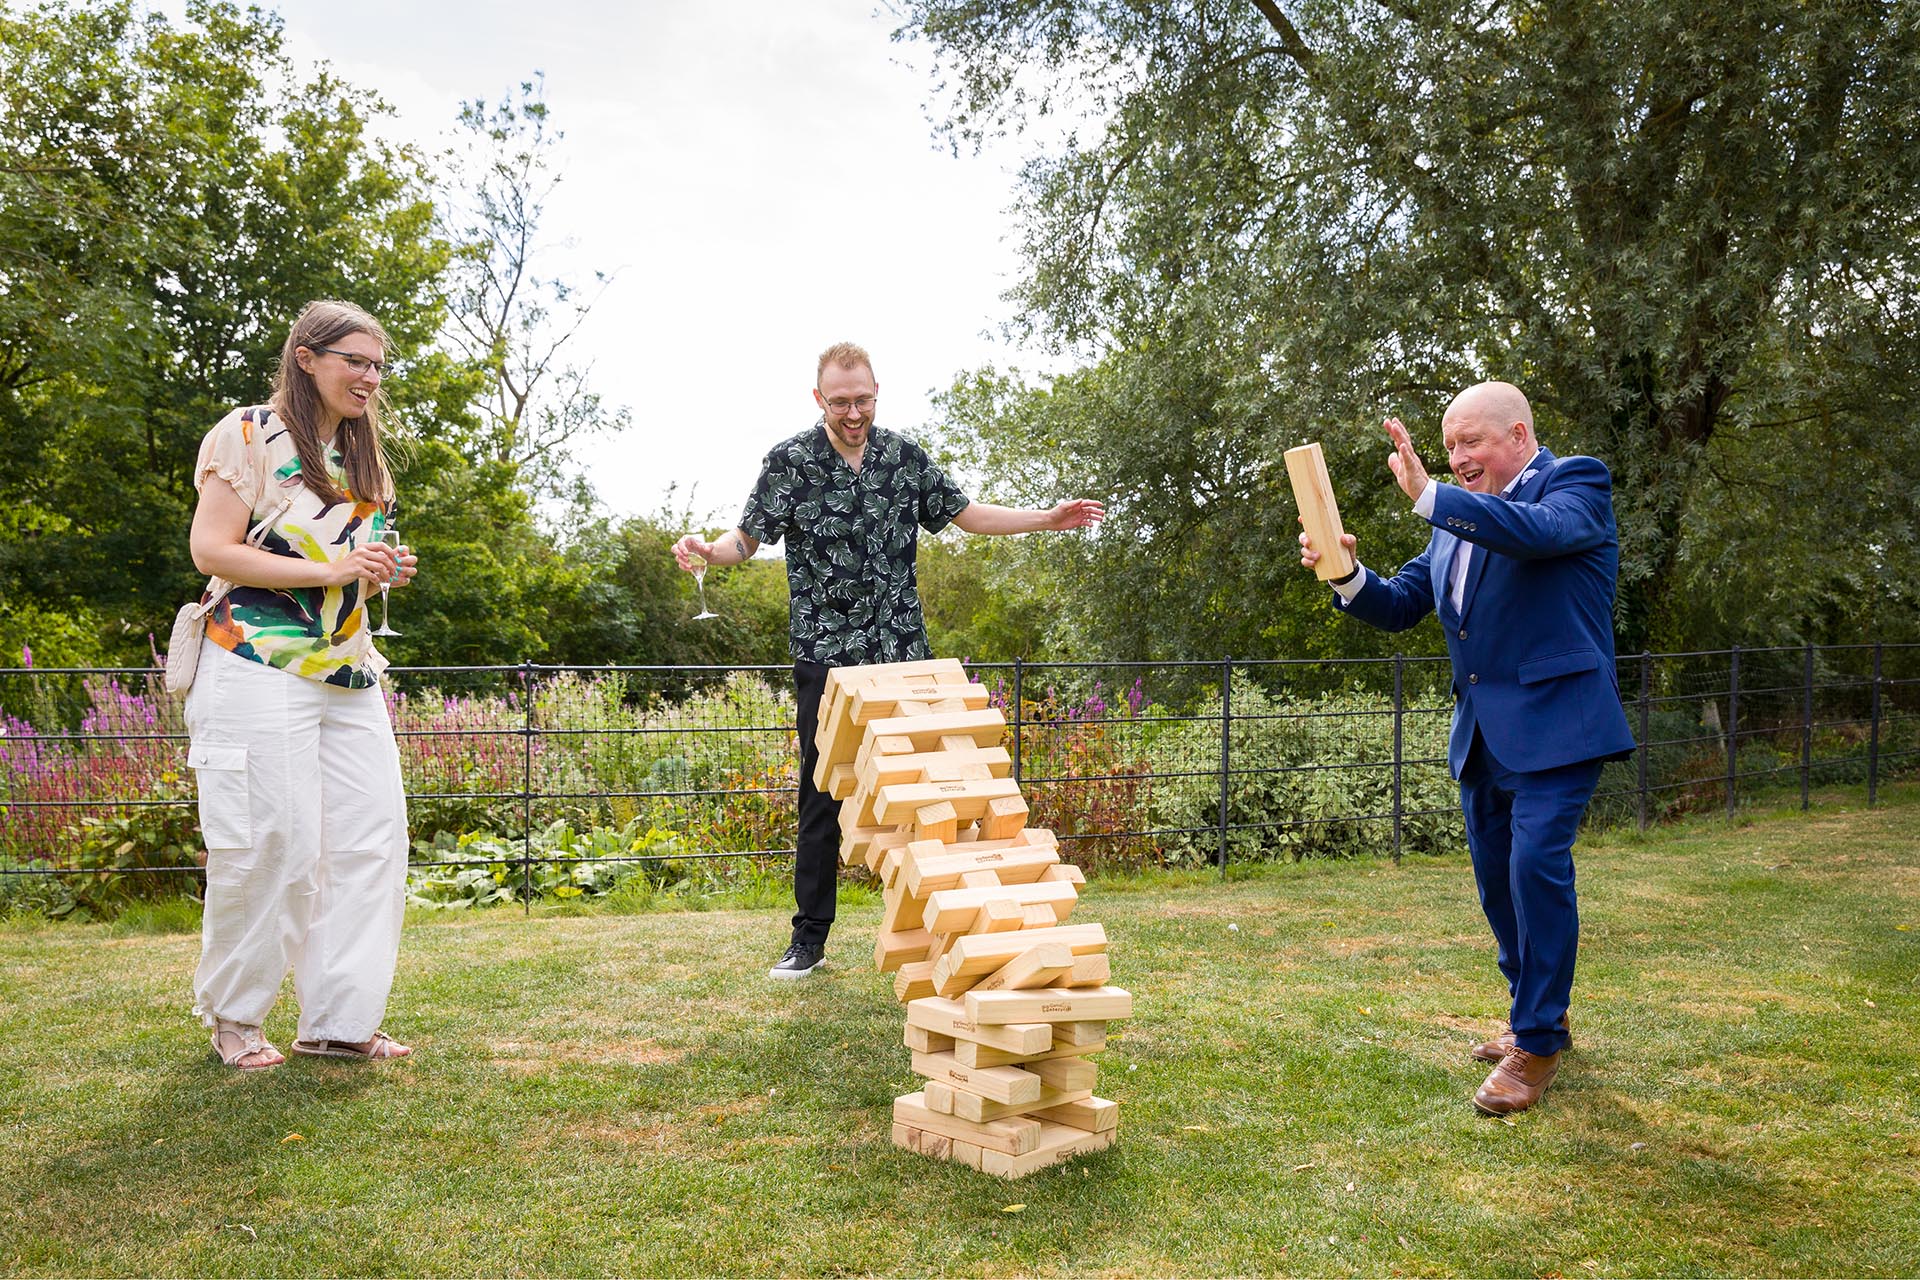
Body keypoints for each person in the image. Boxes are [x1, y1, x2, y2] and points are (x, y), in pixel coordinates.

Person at [672, 341, 1104, 980]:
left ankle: (952, 929)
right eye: (841, 401)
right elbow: (747, 537)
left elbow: (965, 515)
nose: (853, 412)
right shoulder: (789, 461)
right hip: (826, 657)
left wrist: (1048, 518)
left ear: (877, 393)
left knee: (932, 794)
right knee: (822, 794)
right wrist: (709, 549)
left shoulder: (904, 457)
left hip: (903, 655)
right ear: (819, 398)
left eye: (863, 399)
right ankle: (808, 939)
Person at [1299, 380, 1634, 1115]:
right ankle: (1533, 1013)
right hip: (1482, 733)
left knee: (1536, 866)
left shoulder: (1575, 482)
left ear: (1518, 436)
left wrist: (1429, 496)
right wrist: (1344, 571)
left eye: (1470, 441)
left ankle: (1537, 1046)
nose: (1457, 457)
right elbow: (1401, 604)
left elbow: (1537, 532)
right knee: (1496, 882)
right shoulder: (1454, 522)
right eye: (1449, 446)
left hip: (1559, 723)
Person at [182, 299, 419, 1069]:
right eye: (355, 359)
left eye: (378, 364)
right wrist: (331, 568)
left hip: (348, 669)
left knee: (371, 841)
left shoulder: (364, 457)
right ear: (307, 357)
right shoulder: (248, 433)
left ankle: (338, 1022)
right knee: (272, 841)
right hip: (254, 661)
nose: (370, 376)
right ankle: (237, 1019)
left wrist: (383, 569)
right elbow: (212, 550)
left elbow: (357, 561)